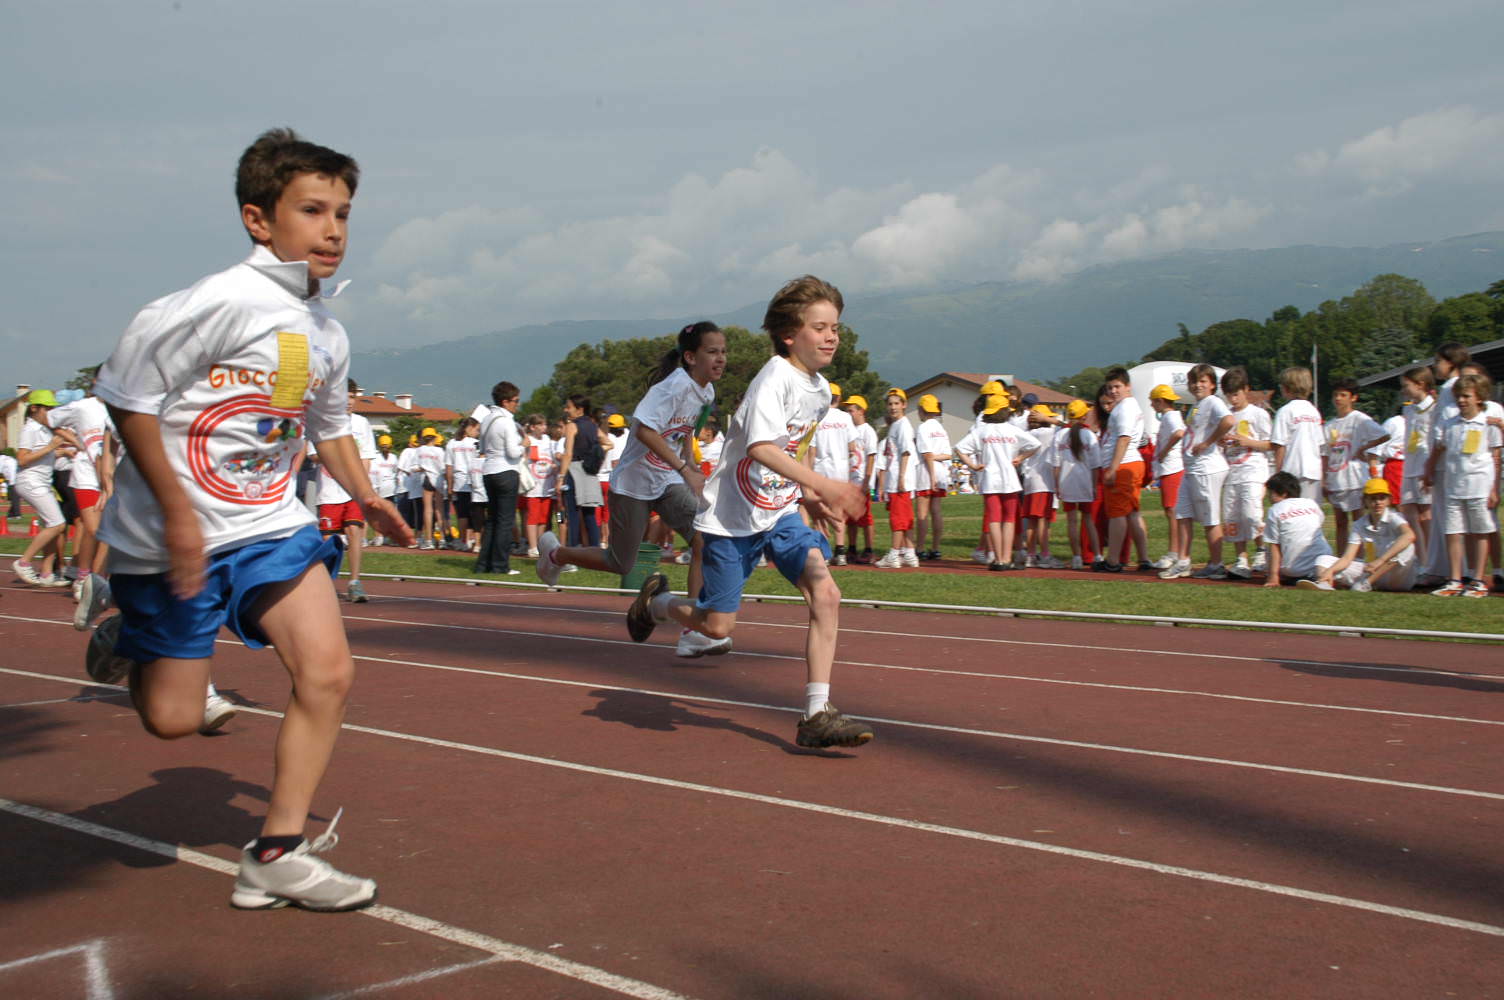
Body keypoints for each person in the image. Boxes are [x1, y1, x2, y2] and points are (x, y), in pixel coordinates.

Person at [84, 128, 412, 911]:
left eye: (342, 213)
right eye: (312, 210)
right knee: (170, 721)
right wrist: (176, 511)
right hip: (169, 539)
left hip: (269, 526)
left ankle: (277, 851)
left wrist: (365, 495)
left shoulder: (325, 331)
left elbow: (327, 426)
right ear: (258, 219)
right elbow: (125, 396)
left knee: (329, 672)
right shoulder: (215, 304)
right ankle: (128, 639)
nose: (333, 229)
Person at [624, 275, 872, 747]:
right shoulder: (773, 379)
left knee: (827, 593)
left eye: (836, 327)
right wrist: (823, 484)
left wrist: (809, 495)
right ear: (788, 334)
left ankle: (816, 713)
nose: (832, 336)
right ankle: (656, 603)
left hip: (779, 514)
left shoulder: (820, 389)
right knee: (717, 627)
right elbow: (759, 447)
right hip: (730, 521)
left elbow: (792, 448)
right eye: (820, 327)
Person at [539, 322, 732, 657]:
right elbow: (643, 431)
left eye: (723, 352)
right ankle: (557, 553)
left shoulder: (707, 392)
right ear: (689, 356)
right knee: (621, 562)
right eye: (712, 352)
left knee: (703, 538)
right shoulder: (671, 388)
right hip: (633, 483)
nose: (721, 359)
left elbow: (686, 430)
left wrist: (691, 469)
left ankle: (693, 631)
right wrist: (684, 468)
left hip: (668, 481)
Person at [1423, 371, 1501, 597]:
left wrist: (1494, 488)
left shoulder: (1488, 424)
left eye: (1466, 396)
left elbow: (1496, 457)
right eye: (1459, 396)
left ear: (1479, 397)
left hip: (1479, 485)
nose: (1461, 401)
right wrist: (1429, 471)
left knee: (1480, 531)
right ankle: (1455, 579)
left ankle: (1477, 580)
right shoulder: (1451, 424)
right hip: (1453, 485)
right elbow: (1440, 449)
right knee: (1454, 532)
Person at [51, 386, 118, 622]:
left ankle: (96, 580)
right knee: (93, 529)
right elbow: (51, 420)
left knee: (108, 533)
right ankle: (83, 577)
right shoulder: (83, 406)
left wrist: (108, 481)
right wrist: (74, 441)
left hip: (109, 476)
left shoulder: (120, 407)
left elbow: (110, 451)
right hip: (86, 476)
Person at [958, 391, 1041, 571]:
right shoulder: (1012, 430)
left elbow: (959, 448)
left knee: (994, 519)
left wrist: (972, 464)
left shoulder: (981, 431)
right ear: (1005, 411)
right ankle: (1006, 557)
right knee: (1009, 519)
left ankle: (998, 559)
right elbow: (1035, 444)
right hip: (1009, 479)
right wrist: (1021, 457)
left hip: (989, 479)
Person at [1168, 364, 1235, 580]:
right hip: (1192, 468)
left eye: (1203, 381)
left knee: (1210, 518)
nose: (1198, 385)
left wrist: (1208, 442)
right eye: (1194, 382)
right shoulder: (1197, 405)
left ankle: (1216, 564)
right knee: (1182, 513)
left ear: (1212, 385)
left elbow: (1228, 420)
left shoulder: (1213, 402)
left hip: (1206, 468)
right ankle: (1183, 561)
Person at [315, 379, 378, 602]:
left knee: (354, 531)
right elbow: (314, 454)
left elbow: (367, 458)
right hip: (329, 490)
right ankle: (323, 584)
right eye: (344, 397)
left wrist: (365, 489)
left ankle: (354, 582)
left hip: (353, 491)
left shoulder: (362, 424)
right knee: (327, 540)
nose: (349, 402)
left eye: (352, 397)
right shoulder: (323, 421)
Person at [11, 389, 80, 587]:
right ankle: (23, 562)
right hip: (31, 482)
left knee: (54, 526)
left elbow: (41, 455)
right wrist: (51, 448)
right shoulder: (30, 429)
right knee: (57, 524)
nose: (51, 413)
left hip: (41, 482)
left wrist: (62, 452)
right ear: (34, 408)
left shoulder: (42, 428)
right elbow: (22, 458)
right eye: (47, 409)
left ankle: (47, 574)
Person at [1303, 478, 1417, 592]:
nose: (1378, 503)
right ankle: (1324, 583)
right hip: (1371, 570)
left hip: (1398, 578)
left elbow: (1409, 535)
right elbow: (1347, 558)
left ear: (1388, 500)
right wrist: (1330, 570)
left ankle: (1365, 584)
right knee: (1322, 560)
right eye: (1373, 498)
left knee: (1408, 547)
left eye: (1382, 498)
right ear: (1364, 501)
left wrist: (1381, 560)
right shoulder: (1359, 524)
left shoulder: (1395, 517)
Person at [1322, 378, 1389, 552]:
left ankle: (1358, 558)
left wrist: (1364, 448)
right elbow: (1325, 454)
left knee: (1359, 522)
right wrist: (1324, 479)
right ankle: (1341, 559)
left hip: (1355, 478)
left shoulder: (1360, 419)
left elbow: (1383, 435)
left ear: (1353, 398)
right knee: (1340, 522)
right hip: (1336, 478)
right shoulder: (1330, 425)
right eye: (1336, 395)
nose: (1338, 399)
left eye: (1343, 395)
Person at [1219, 367, 1272, 579]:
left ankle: (1261, 551)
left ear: (1246, 390)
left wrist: (1248, 441)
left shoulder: (1258, 414)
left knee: (1252, 514)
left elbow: (1270, 443)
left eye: (1236, 394)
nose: (1233, 399)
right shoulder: (1226, 416)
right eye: (1229, 395)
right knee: (1232, 517)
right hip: (1232, 472)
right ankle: (1241, 558)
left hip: (1253, 470)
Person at [1099, 368, 1150, 572]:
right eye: (1110, 387)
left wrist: (1113, 467)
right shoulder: (1128, 406)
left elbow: (1124, 438)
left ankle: (1113, 560)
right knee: (1132, 513)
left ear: (1128, 387)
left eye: (1117, 386)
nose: (1113, 391)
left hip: (1124, 464)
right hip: (1130, 462)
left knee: (1117, 514)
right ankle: (1143, 558)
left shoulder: (1125, 408)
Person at [474, 381, 525, 575]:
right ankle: (500, 565)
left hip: (488, 471)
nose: (517, 405)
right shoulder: (507, 421)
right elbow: (513, 452)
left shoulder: (487, 419)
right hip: (506, 471)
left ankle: (483, 564)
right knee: (505, 521)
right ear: (505, 402)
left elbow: (482, 447)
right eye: (515, 401)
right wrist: (524, 445)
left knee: (492, 520)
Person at [811, 381, 858, 564]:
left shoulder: (817, 416)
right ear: (838, 398)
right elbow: (852, 446)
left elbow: (812, 449)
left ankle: (822, 551)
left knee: (820, 512)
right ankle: (840, 552)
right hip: (840, 469)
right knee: (838, 511)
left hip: (821, 469)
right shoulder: (845, 418)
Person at [1051, 399, 1100, 570]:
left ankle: (1077, 557)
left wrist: (1057, 485)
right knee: (1088, 520)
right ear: (1085, 416)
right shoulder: (1089, 435)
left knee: (1071, 521)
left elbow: (1055, 465)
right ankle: (1098, 556)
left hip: (1067, 482)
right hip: (1085, 481)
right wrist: (1094, 486)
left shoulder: (1059, 435)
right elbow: (1095, 465)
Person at [1261, 472, 1332, 588]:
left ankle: (1287, 575)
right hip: (1325, 563)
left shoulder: (1275, 510)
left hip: (1294, 569)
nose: (1269, 498)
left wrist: (1273, 576)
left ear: (1283, 494)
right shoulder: (1311, 503)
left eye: (1271, 493)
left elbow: (1274, 546)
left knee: (1270, 545)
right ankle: (1320, 579)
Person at [874, 388, 918, 568]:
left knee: (898, 519)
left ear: (904, 405)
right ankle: (909, 552)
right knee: (906, 518)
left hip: (900, 479)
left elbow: (906, 452)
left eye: (896, 403)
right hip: (896, 478)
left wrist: (901, 477)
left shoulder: (903, 426)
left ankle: (894, 553)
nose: (893, 407)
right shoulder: (896, 425)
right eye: (890, 404)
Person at [1397, 365, 1437, 559]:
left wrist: (1430, 468)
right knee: (1409, 512)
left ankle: (1432, 560)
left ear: (1420, 384)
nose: (1404, 390)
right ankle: (1422, 560)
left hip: (1424, 466)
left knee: (1426, 516)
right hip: (1409, 466)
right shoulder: (1409, 410)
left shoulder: (1434, 409)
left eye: (1407, 386)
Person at [1147, 384, 1187, 571]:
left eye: (1153, 402)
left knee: (1172, 511)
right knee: (1171, 511)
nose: (1152, 406)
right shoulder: (1171, 416)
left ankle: (1174, 552)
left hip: (1173, 468)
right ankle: (1175, 552)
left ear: (1160, 401)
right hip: (1170, 468)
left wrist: (1163, 451)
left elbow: (1179, 433)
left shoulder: (1171, 417)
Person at [556, 395, 604, 548]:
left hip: (575, 471)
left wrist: (560, 478)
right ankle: (594, 551)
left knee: (572, 514)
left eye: (568, 407)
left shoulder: (572, 426)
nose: (566, 410)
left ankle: (573, 553)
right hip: (589, 472)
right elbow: (608, 442)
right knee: (590, 514)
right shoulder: (592, 425)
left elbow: (568, 453)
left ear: (579, 409)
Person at [1270, 366, 1324, 501]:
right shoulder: (1314, 412)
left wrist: (1278, 473)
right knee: (1310, 513)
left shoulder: (1285, 411)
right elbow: (1320, 445)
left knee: (1292, 512)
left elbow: (1279, 445)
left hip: (1291, 472)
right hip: (1313, 471)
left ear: (1287, 388)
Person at [1018, 404, 1060, 567]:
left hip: (1030, 481)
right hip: (1044, 481)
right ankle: (1045, 555)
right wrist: (1048, 419)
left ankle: (1031, 554)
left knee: (1032, 521)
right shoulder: (1049, 433)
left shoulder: (1027, 434)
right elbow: (1068, 425)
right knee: (1043, 520)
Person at [913, 393, 952, 561]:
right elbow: (948, 455)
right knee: (936, 511)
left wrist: (932, 477)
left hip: (927, 473)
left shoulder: (923, 428)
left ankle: (920, 547)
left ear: (922, 410)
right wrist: (936, 459)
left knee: (922, 513)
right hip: (942, 470)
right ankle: (936, 548)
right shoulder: (941, 429)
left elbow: (927, 454)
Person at [842, 395, 878, 564]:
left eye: (851, 410)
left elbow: (871, 456)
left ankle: (869, 549)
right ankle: (852, 548)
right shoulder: (848, 431)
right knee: (850, 519)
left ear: (861, 411)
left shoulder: (867, 431)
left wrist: (866, 481)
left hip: (861, 480)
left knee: (865, 518)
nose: (848, 413)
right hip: (849, 481)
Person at [445, 417, 480, 551]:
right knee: (475, 513)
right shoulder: (475, 443)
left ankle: (462, 540)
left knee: (462, 514)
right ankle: (472, 540)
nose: (478, 432)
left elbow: (449, 467)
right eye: (476, 429)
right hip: (474, 481)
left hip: (459, 482)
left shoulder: (451, 443)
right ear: (469, 428)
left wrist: (449, 486)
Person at [368, 433, 399, 545]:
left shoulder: (377, 458)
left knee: (380, 514)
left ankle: (381, 537)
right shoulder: (391, 457)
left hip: (385, 488)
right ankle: (385, 537)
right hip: (386, 488)